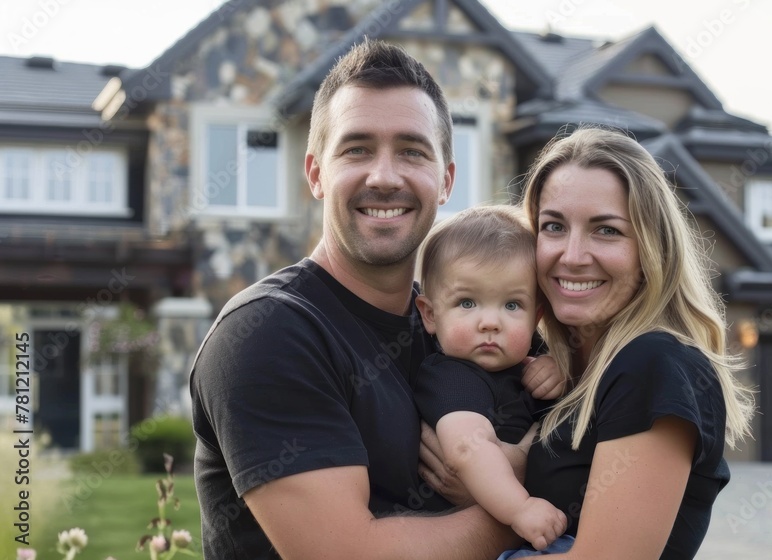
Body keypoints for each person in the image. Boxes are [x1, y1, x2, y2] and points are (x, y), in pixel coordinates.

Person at [189, 39, 547, 560]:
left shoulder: (453, 324)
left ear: (445, 180)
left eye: (411, 151)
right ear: (316, 173)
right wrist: (526, 507)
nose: (384, 176)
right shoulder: (269, 333)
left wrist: (511, 468)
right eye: (357, 149)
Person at [513, 127, 756, 559]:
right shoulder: (547, 367)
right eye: (553, 226)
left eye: (606, 231)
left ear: (651, 249)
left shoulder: (654, 364)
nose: (571, 255)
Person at [411, 205, 569, 553]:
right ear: (431, 314)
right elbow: (470, 450)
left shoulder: (527, 362)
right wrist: (520, 508)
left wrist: (559, 367)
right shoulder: (450, 376)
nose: (490, 323)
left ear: (536, 317)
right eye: (468, 303)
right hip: (490, 534)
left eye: (512, 306)